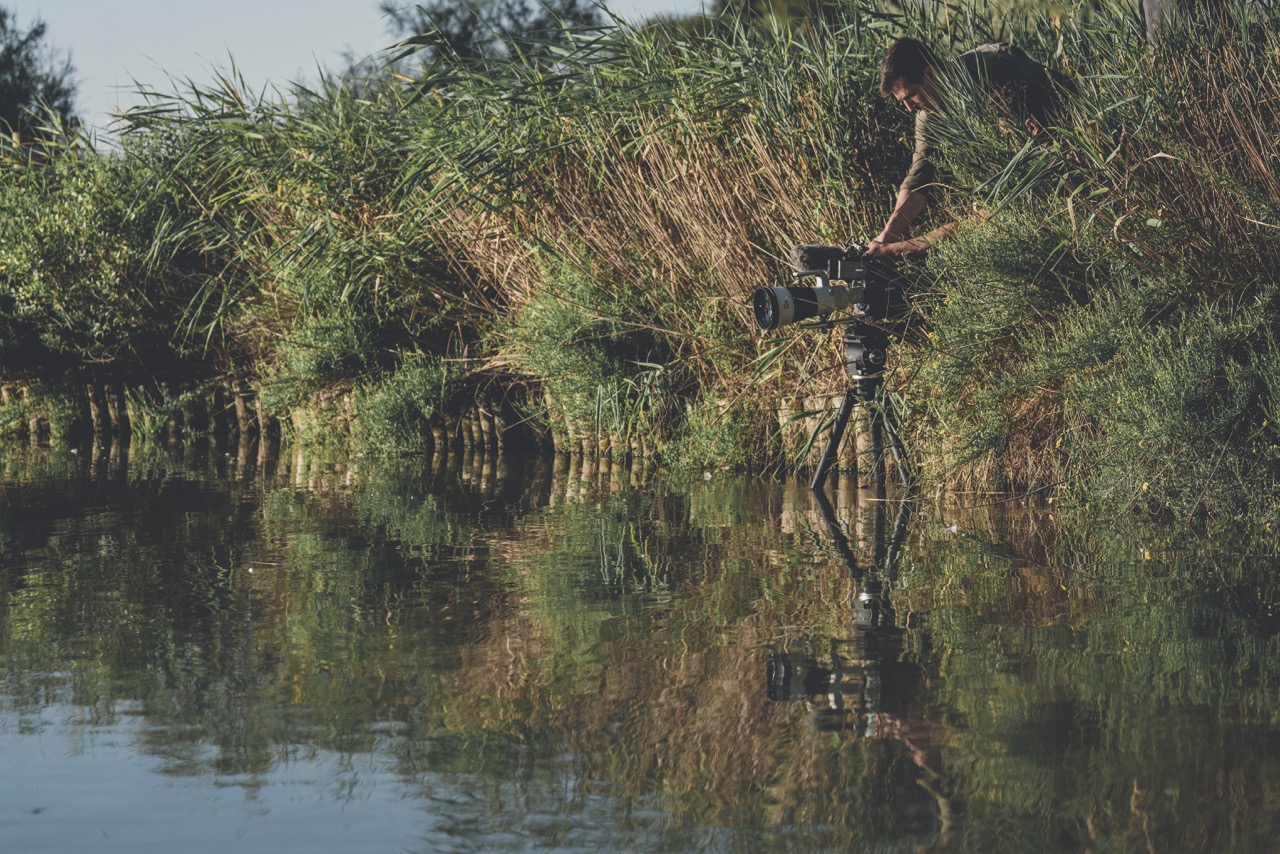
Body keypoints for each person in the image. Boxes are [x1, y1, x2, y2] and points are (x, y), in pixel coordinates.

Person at [865, 37, 1073, 259]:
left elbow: (1056, 105)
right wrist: (886, 237)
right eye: (901, 102)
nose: (908, 108)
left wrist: (897, 250)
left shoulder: (994, 66)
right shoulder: (927, 115)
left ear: (929, 74)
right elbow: (919, 180)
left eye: (910, 96)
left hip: (1061, 141)